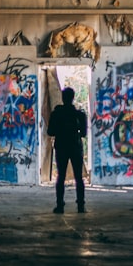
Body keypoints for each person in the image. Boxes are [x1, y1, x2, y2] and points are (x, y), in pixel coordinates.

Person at [47, 86, 87, 214]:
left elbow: (50, 132)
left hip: (61, 147)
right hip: (75, 147)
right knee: (78, 178)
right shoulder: (79, 114)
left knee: (61, 177)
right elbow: (84, 133)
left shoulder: (56, 113)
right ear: (73, 98)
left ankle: (60, 205)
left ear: (63, 98)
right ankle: (80, 206)